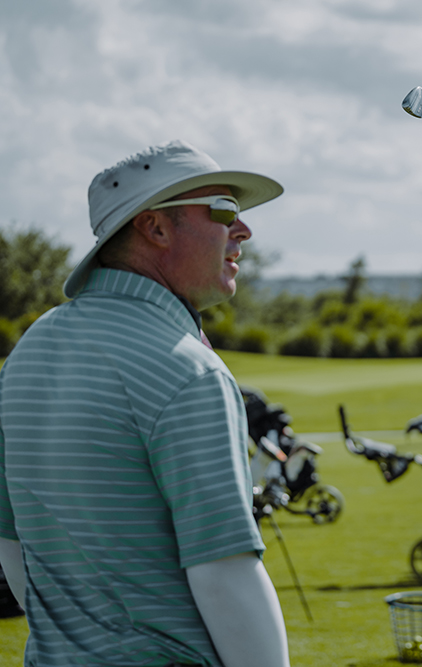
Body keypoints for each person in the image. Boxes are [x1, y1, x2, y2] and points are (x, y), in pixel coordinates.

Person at [0, 140, 291, 667]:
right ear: (155, 228)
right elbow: (224, 572)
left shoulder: (28, 351)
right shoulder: (189, 369)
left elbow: (11, 544)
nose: (244, 231)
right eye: (224, 211)